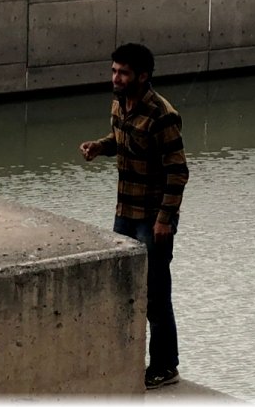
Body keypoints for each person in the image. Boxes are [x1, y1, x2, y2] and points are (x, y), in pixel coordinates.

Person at [79, 43, 188, 390]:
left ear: (142, 76)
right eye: (114, 71)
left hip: (152, 220)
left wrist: (164, 220)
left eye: (123, 73)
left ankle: (165, 366)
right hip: (124, 213)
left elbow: (178, 172)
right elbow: (121, 139)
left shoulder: (162, 115)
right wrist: (100, 146)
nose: (116, 78)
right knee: (124, 289)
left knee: (155, 295)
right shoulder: (119, 103)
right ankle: (127, 359)